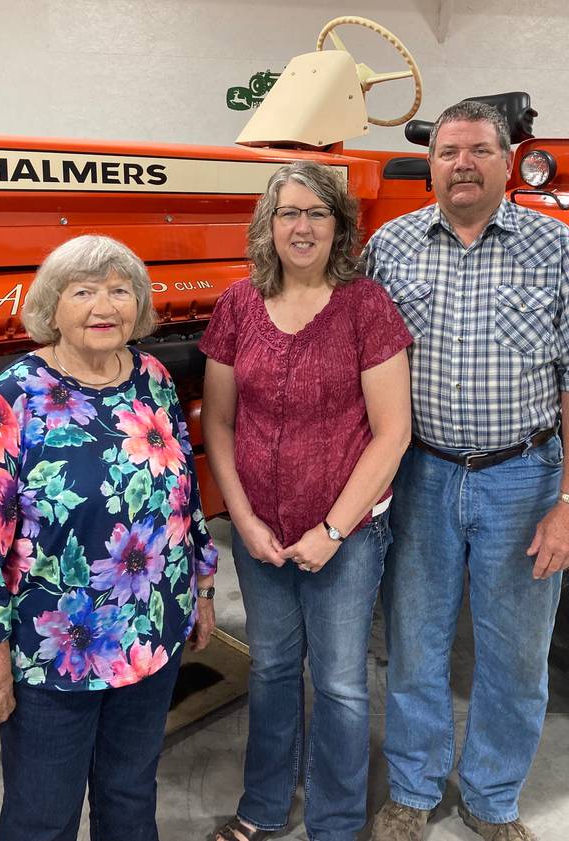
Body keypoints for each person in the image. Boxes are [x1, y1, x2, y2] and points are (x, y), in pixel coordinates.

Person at [364, 101, 569, 841]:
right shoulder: (391, 247)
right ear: (433, 163)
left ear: (506, 163)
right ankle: (414, 789)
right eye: (449, 151)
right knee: (414, 643)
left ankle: (491, 797)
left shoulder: (555, 247)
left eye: (480, 150)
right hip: (419, 475)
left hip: (523, 477)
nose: (462, 164)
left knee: (514, 652)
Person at [0, 234, 218, 841]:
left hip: (151, 635)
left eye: (120, 290)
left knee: (129, 796)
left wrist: (201, 588)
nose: (105, 306)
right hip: (55, 651)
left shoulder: (152, 378)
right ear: (53, 306)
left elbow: (183, 494)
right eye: (84, 291)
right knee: (43, 816)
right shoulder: (14, 395)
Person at [200, 161, 412, 841]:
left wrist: (332, 529)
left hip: (346, 537)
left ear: (339, 227)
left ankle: (336, 821)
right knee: (271, 669)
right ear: (268, 225)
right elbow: (220, 423)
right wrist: (245, 519)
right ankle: (264, 805)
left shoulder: (366, 306)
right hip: (261, 534)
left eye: (317, 213)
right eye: (289, 212)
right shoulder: (237, 305)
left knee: (343, 682)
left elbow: (392, 432)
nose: (302, 226)